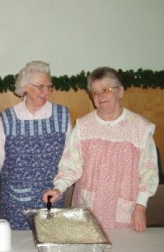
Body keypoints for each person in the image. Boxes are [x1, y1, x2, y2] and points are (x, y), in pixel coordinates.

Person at [43, 66, 159, 232]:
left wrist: (141, 206)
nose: (100, 96)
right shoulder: (83, 126)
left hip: (125, 212)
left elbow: (149, 173)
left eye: (106, 90)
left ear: (120, 92)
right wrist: (58, 188)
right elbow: (71, 165)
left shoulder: (141, 128)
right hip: (87, 209)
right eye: (95, 92)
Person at [0, 61, 72, 230]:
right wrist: (20, 181)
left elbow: (69, 157)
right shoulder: (7, 118)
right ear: (24, 87)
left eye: (49, 87)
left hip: (52, 199)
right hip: (15, 203)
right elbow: (0, 159)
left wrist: (58, 187)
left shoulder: (62, 116)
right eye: (40, 87)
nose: (46, 92)